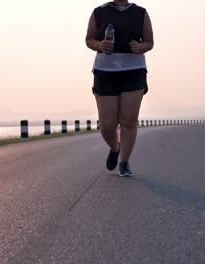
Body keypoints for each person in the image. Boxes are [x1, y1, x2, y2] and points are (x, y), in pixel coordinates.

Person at [85, 1, 154, 177]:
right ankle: (115, 149)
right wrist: (100, 45)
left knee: (129, 121)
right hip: (105, 71)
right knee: (107, 125)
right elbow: (89, 39)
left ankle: (124, 162)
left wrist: (140, 47)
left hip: (133, 70)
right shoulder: (99, 12)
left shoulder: (141, 13)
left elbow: (149, 42)